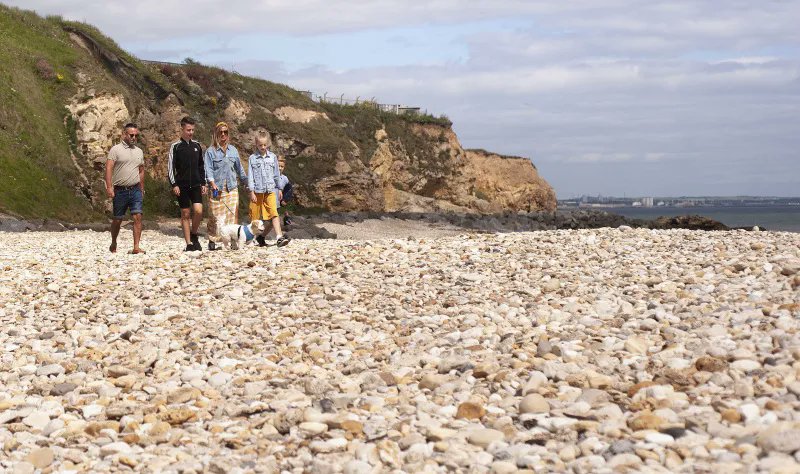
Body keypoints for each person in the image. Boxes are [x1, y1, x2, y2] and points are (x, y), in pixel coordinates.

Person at [204, 122, 247, 250]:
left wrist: (247, 183)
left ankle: (232, 241)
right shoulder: (210, 151)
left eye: (225, 132)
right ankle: (212, 239)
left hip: (232, 188)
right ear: (216, 134)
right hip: (216, 188)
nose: (223, 134)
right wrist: (212, 183)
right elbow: (208, 169)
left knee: (232, 214)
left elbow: (240, 170)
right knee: (215, 216)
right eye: (220, 132)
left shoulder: (233, 150)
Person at [105, 123, 145, 254]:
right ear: (124, 134)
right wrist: (109, 187)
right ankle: (114, 242)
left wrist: (142, 188)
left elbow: (141, 170)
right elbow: (109, 168)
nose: (134, 137)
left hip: (135, 189)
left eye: (136, 135)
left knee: (138, 216)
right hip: (120, 190)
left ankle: (136, 247)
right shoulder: (115, 150)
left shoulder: (139, 151)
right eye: (131, 135)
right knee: (117, 219)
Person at [168, 116, 207, 251]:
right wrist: (174, 185)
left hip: (196, 184)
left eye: (192, 130)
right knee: (185, 213)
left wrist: (203, 183)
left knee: (198, 211)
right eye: (188, 130)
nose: (190, 132)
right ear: (182, 129)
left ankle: (194, 233)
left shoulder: (197, 145)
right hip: (182, 185)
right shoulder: (175, 146)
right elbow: (171, 168)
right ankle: (189, 243)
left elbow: (201, 166)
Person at [247, 134, 290, 247]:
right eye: (260, 145)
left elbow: (276, 175)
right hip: (257, 191)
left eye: (265, 144)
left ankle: (279, 237)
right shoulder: (252, 158)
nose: (263, 147)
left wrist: (280, 188)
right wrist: (251, 192)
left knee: (274, 213)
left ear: (268, 144)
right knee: (254, 217)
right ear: (256, 144)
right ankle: (251, 239)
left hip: (270, 190)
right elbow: (250, 177)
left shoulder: (273, 157)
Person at [277, 157, 294, 227]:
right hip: (271, 198)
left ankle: (286, 220)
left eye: (282, 166)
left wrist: (285, 199)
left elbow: (289, 189)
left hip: (279, 199)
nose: (280, 168)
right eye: (278, 166)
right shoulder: (270, 176)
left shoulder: (285, 178)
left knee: (284, 208)